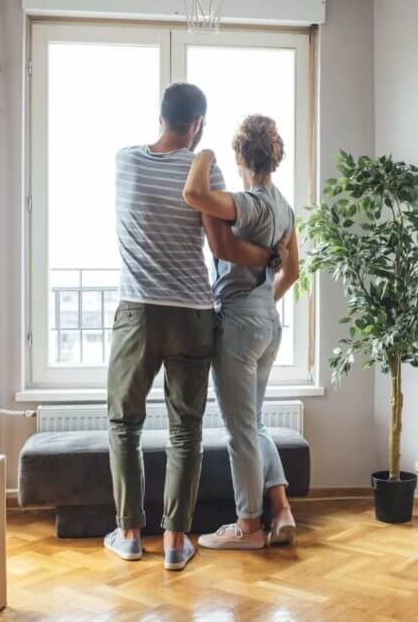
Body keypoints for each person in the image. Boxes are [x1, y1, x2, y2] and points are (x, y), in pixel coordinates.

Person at [103, 84, 283, 571]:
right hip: (193, 313)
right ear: (198, 124)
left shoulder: (124, 161)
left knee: (125, 424)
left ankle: (129, 533)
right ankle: (176, 543)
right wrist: (269, 258)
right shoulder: (206, 171)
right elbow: (223, 248)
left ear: (160, 115)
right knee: (186, 429)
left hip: (138, 312)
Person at [182, 114, 300, 550]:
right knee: (254, 421)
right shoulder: (284, 205)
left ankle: (248, 527)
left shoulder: (250, 202)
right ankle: (280, 511)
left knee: (239, 431)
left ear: (239, 155)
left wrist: (205, 152)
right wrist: (265, 303)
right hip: (268, 323)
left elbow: (195, 194)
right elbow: (294, 270)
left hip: (238, 321)